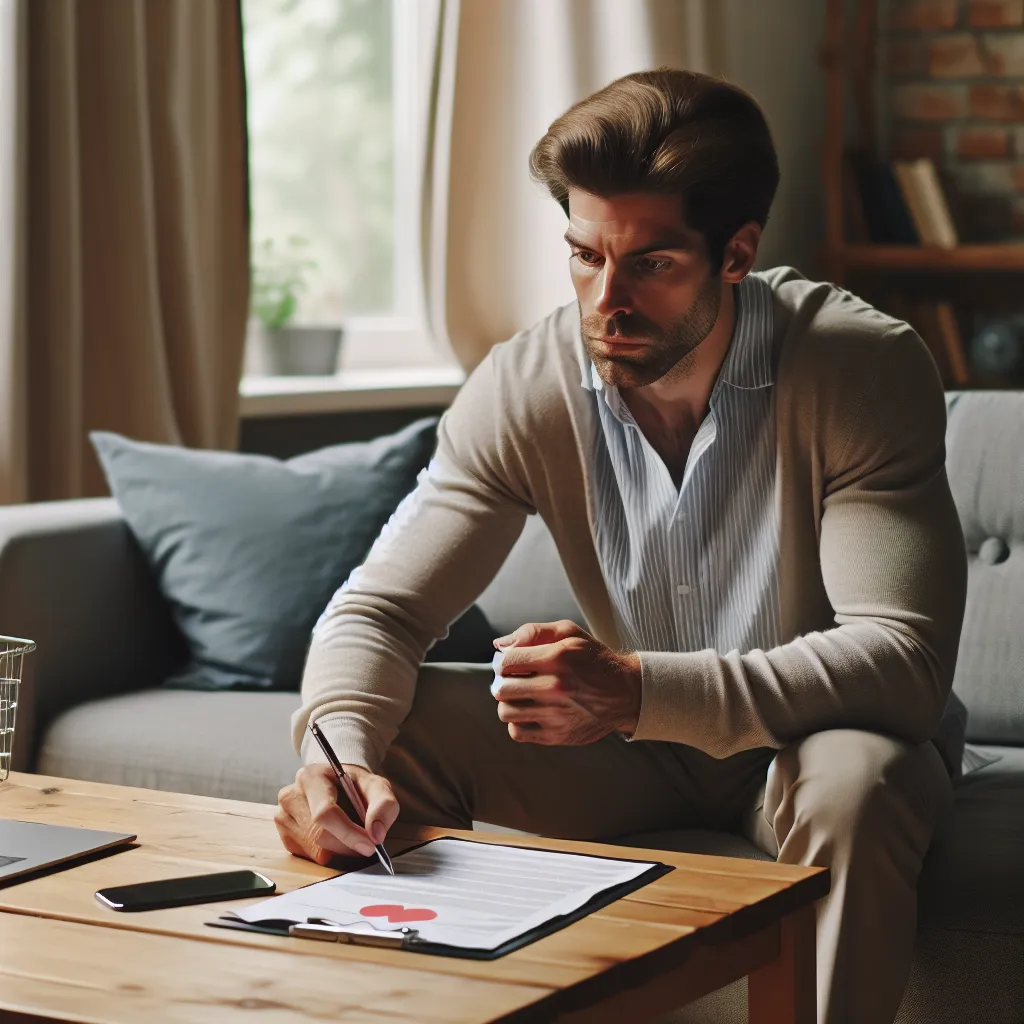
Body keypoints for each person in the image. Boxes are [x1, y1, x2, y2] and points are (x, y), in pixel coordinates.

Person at [275, 68, 966, 1024]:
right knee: (400, 732)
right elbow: (382, 610)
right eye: (584, 256)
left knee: (861, 780)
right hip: (633, 751)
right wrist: (334, 754)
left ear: (736, 253)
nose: (608, 301)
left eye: (650, 264)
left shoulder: (860, 366)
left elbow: (903, 662)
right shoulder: (524, 385)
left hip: (812, 741)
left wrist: (635, 690)